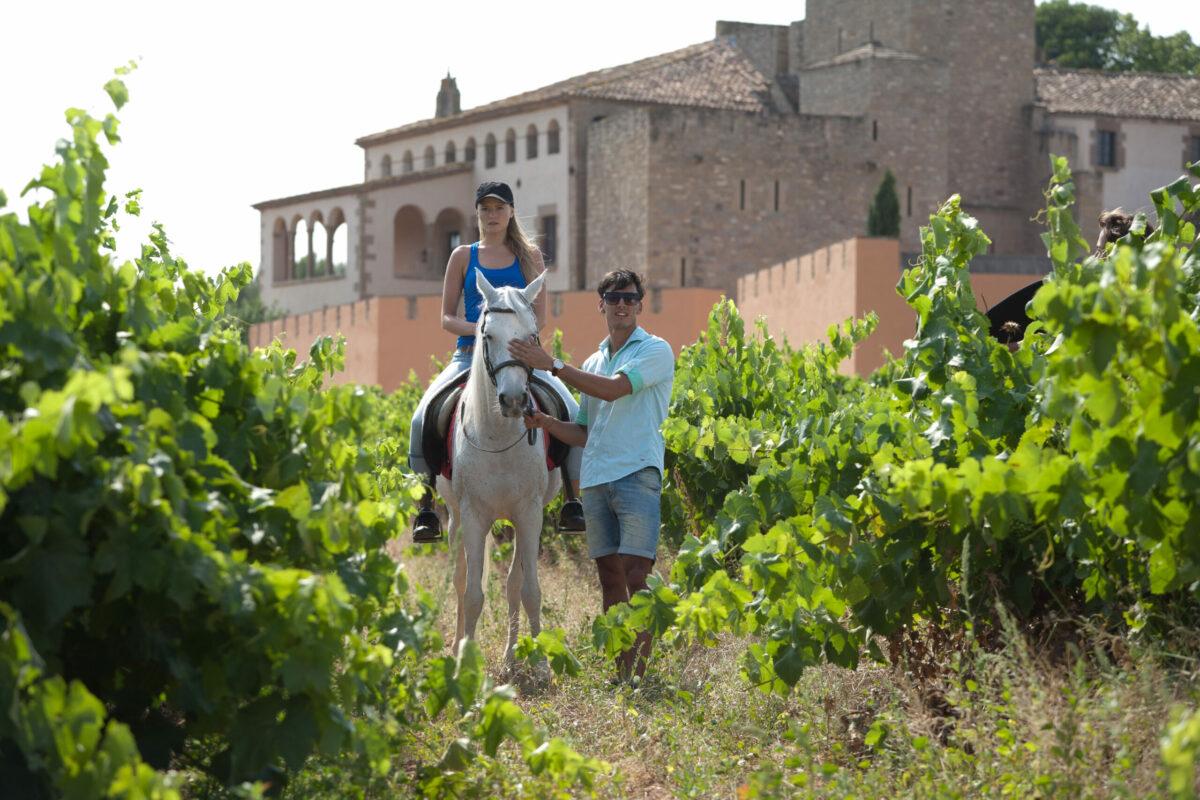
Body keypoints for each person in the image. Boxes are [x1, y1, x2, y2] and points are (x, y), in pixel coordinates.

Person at [508, 269, 675, 681]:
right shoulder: (594, 361)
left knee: (637, 574)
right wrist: (546, 423)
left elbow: (615, 390)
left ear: (640, 304)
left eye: (630, 298)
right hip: (597, 480)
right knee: (609, 577)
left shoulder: (655, 350)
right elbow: (584, 431)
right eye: (614, 298)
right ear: (601, 304)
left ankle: (640, 677)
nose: (622, 305)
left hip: (637, 473)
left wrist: (552, 365)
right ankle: (622, 674)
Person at [408, 180, 584, 542]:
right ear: (477, 213)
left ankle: (572, 498)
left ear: (511, 212)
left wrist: (512, 341)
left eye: (499, 208)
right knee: (420, 416)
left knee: (571, 408)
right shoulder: (463, 256)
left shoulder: (530, 256)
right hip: (468, 356)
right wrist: (485, 331)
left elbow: (540, 317)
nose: (492, 215)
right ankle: (426, 508)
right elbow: (446, 318)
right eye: (485, 209)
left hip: (521, 356)